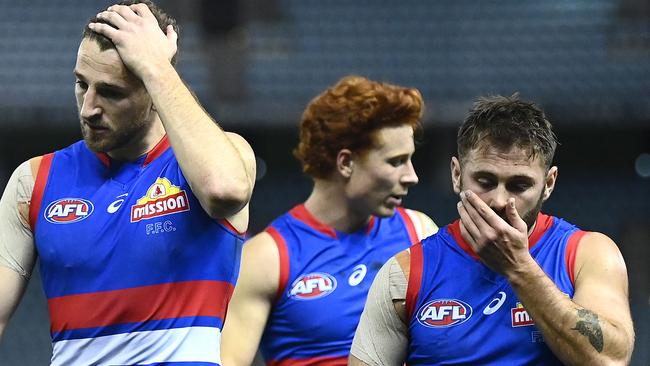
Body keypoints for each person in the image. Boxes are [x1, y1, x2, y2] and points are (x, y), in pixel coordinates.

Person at [0, 1, 255, 365]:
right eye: (81, 83)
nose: (88, 107)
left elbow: (223, 190)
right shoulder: (34, 180)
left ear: (154, 89)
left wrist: (157, 68)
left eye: (110, 92)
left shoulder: (224, 158)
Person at [350, 94, 635, 365]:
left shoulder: (589, 254)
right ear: (457, 174)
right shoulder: (405, 272)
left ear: (548, 184)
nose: (499, 201)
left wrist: (520, 268)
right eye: (485, 181)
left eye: (519, 185)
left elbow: (610, 360)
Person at [221, 76, 437, 366]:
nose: (412, 176)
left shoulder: (420, 233)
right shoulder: (267, 257)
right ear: (346, 163)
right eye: (396, 161)